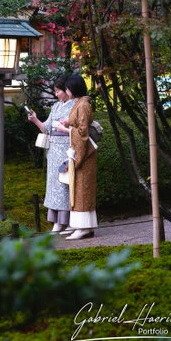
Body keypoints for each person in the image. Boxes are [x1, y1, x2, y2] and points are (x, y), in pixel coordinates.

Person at [27, 76, 76, 233]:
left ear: (68, 90)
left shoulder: (76, 105)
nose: (56, 94)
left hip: (66, 147)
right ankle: (57, 221)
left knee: (65, 184)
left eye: (58, 91)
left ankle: (68, 221)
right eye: (55, 91)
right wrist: (35, 120)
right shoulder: (55, 106)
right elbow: (46, 128)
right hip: (53, 149)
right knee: (53, 185)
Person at [56, 74, 98, 240]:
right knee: (79, 188)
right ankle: (82, 226)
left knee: (82, 189)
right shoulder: (81, 104)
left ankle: (83, 227)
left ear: (73, 89)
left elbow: (82, 132)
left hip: (85, 154)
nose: (66, 91)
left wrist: (66, 129)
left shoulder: (83, 105)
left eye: (67, 88)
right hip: (82, 151)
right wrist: (68, 123)